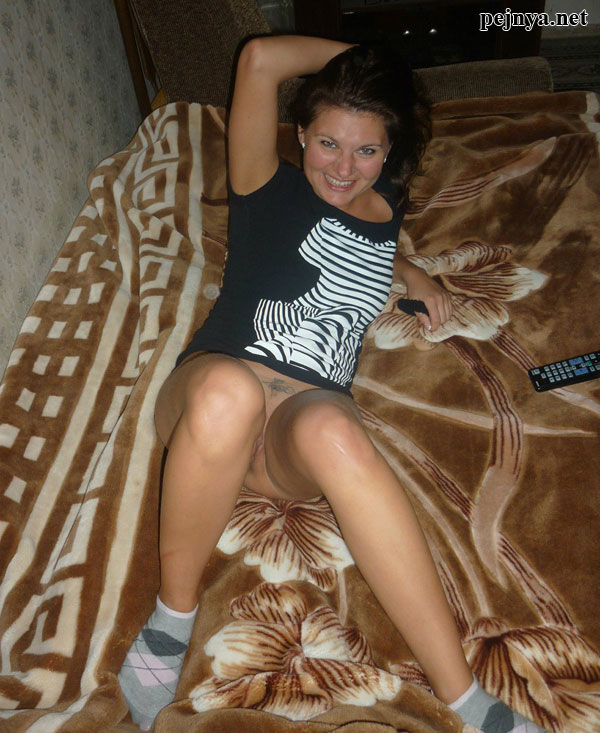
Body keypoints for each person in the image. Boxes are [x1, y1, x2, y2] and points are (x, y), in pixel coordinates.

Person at [117, 36, 545, 732]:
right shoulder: (264, 183)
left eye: (366, 150)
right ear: (300, 134)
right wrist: (380, 63)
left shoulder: (387, 205)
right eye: (327, 143)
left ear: (390, 152)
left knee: (338, 430)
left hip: (292, 439)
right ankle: (172, 618)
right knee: (230, 394)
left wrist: (413, 273)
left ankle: (467, 699)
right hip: (210, 399)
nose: (343, 168)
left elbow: (368, 245)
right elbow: (258, 58)